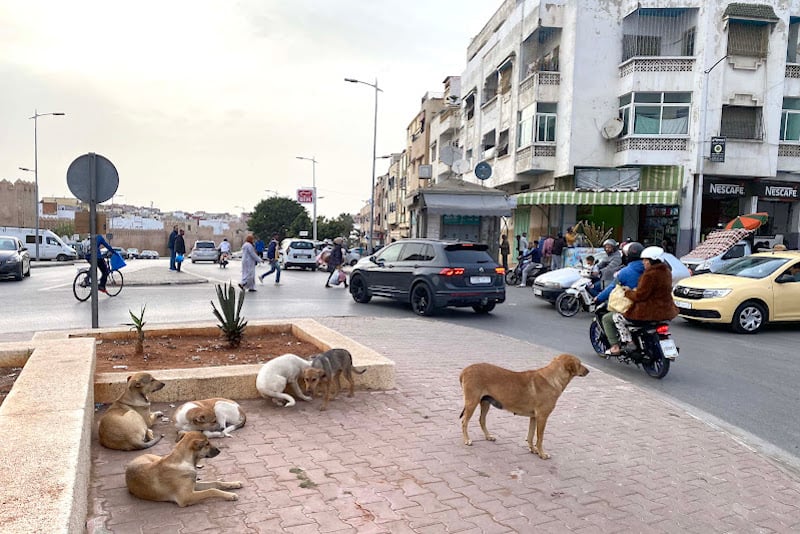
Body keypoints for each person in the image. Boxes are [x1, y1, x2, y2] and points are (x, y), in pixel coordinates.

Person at [605, 246, 678, 356]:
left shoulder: (649, 275)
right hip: (665, 310)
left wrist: (627, 292)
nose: (643, 262)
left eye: (645, 260)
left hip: (647, 313)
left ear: (651, 261)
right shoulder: (666, 272)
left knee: (616, 317)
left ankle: (629, 342)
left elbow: (640, 295)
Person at [593, 242, 645, 356]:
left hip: (634, 311)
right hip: (654, 311)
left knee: (607, 319)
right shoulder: (651, 270)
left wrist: (598, 297)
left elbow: (612, 287)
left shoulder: (625, 272)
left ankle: (615, 347)